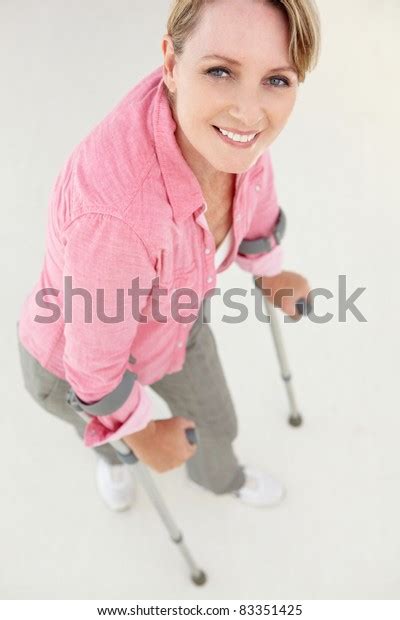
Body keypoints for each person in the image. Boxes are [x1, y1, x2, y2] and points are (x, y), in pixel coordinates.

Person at [16, 0, 320, 512]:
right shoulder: (117, 216)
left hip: (171, 321)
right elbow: (93, 364)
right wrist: (139, 433)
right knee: (120, 443)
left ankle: (220, 479)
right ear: (171, 63)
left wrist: (269, 269)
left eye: (277, 80)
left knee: (216, 423)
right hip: (74, 365)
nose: (249, 112)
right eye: (220, 71)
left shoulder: (230, 135)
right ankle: (114, 459)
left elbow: (256, 186)